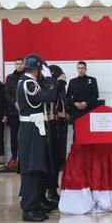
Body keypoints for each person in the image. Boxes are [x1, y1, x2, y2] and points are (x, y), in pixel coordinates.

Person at [16, 54, 57, 222]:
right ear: (37, 69)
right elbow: (48, 97)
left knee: (38, 165)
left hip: (35, 127)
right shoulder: (28, 83)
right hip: (31, 129)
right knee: (32, 168)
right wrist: (50, 80)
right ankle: (29, 207)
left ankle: (36, 203)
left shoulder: (28, 81)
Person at [46, 64, 69, 202]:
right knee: (52, 160)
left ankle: (54, 189)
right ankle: (50, 190)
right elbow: (51, 103)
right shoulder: (51, 88)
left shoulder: (60, 89)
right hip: (52, 127)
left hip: (60, 126)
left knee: (59, 159)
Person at [5, 58, 25, 162]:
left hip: (26, 112)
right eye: (17, 64)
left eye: (21, 64)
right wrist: (14, 102)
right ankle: (14, 157)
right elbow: (7, 93)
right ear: (15, 65)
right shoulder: (10, 78)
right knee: (14, 135)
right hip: (13, 112)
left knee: (25, 135)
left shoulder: (27, 77)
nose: (19, 66)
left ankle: (23, 157)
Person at [66, 61, 99, 125]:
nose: (80, 70)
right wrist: (75, 103)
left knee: (87, 130)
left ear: (85, 69)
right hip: (76, 111)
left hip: (88, 110)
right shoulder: (72, 81)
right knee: (77, 131)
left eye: (82, 68)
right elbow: (68, 96)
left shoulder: (92, 80)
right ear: (77, 69)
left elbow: (96, 95)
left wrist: (86, 103)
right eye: (79, 68)